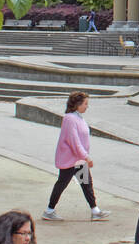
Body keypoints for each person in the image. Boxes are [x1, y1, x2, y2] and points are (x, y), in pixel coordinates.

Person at [43, 91, 111, 222]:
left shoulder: (77, 117)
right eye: (85, 103)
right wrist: (86, 156)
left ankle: (95, 210)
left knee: (86, 184)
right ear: (78, 104)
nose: (87, 106)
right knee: (62, 184)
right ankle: (49, 210)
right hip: (71, 159)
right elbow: (74, 141)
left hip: (77, 159)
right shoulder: (70, 118)